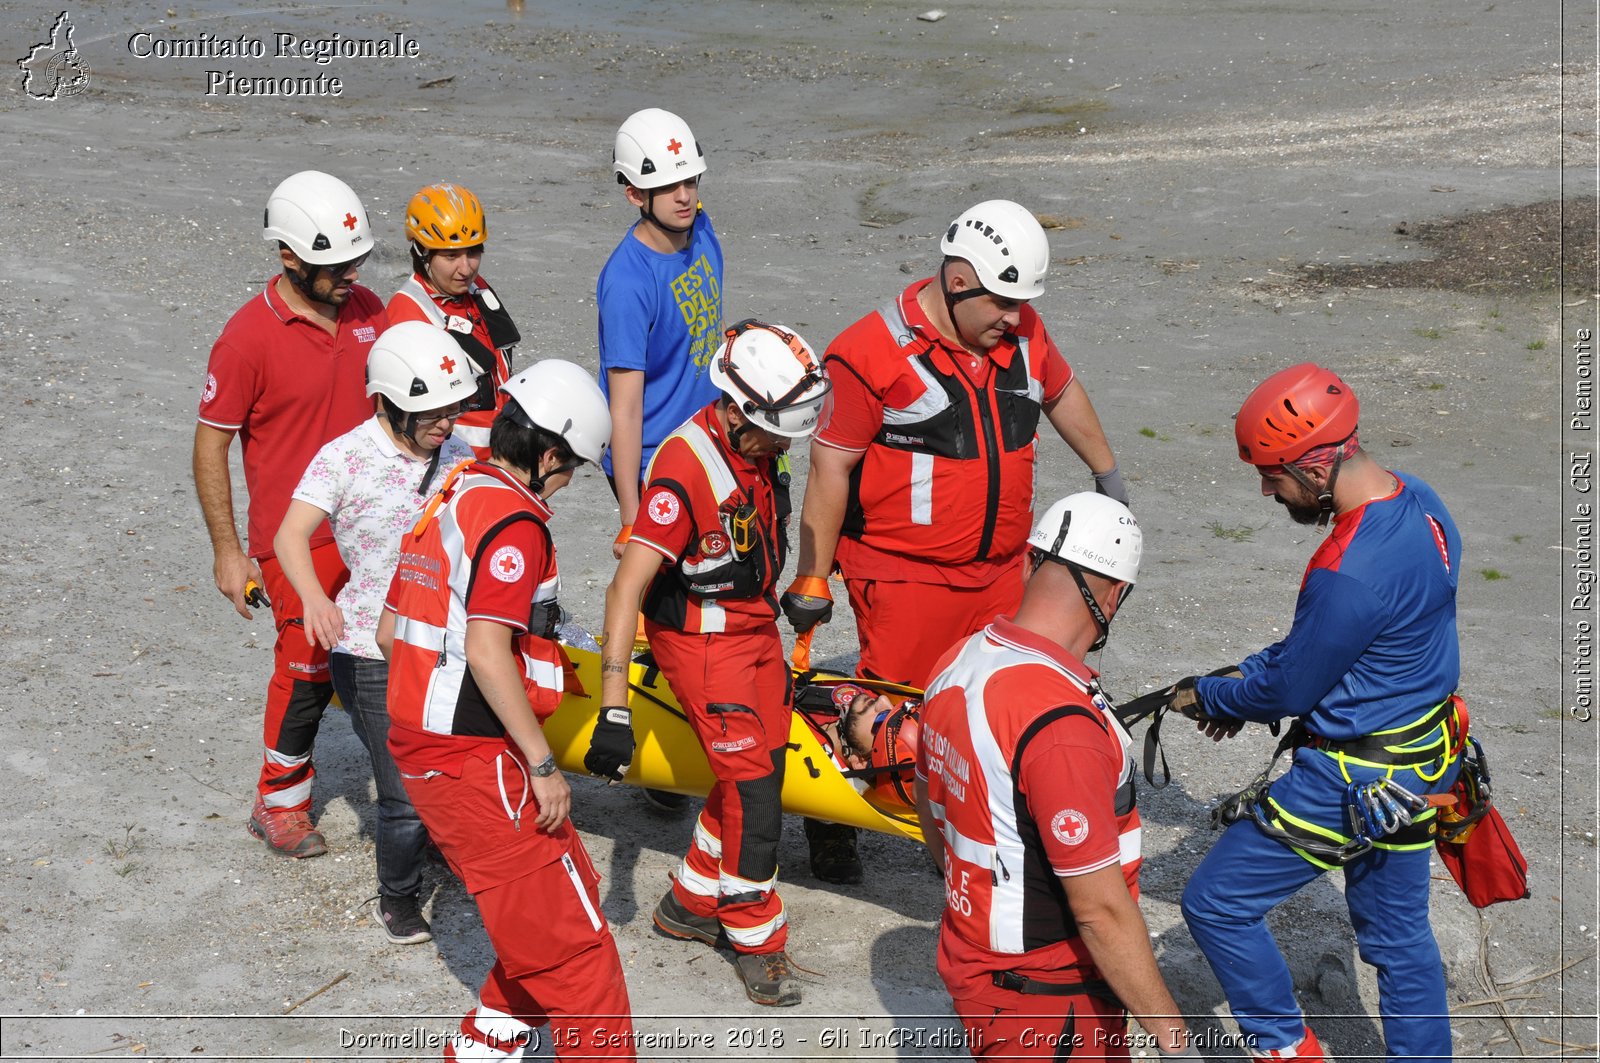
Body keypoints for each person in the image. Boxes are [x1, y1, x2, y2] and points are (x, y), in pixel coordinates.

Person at [785, 198, 1127, 884]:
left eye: (1022, 303)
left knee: (998, 704)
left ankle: (985, 829)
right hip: (905, 574)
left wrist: (1107, 472)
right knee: (898, 712)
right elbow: (829, 467)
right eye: (1003, 301)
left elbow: (1060, 393)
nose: (1015, 317)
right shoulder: (868, 353)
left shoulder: (1021, 333)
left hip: (1002, 571)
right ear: (960, 280)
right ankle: (832, 819)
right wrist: (813, 577)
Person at [1168, 363, 1464, 1063]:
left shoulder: (1344, 568)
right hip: (1422, 761)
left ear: (1315, 461)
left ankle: (1284, 1047)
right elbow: (1341, 647)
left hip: (1349, 780)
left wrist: (1213, 694)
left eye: (1273, 474)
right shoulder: (1422, 503)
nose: (1268, 490)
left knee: (1214, 904)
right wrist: (1258, 670)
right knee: (1398, 942)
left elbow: (1291, 692)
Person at [379, 359, 634, 1061]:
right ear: (550, 454)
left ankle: (482, 1051)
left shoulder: (452, 490)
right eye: (572, 467)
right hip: (473, 758)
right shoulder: (517, 522)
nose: (569, 480)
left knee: (562, 899)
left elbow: (386, 632)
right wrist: (545, 764)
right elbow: (488, 651)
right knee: (579, 954)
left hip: (429, 748)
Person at [586, 320, 830, 1007]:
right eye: (777, 432)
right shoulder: (684, 467)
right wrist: (613, 705)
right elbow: (625, 585)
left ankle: (692, 899)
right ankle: (756, 935)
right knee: (754, 792)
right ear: (736, 407)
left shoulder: (757, 442)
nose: (785, 446)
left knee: (761, 768)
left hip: (752, 629)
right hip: (702, 644)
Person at [915, 493, 1194, 1061]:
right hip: (1051, 1003)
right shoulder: (1060, 727)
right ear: (1114, 596)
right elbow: (1100, 911)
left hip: (978, 966)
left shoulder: (959, 661)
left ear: (1027, 563)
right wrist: (1175, 1039)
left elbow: (930, 806)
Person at [194, 170, 385, 859]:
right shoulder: (246, 339)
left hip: (372, 526)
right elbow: (210, 444)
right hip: (293, 538)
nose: (351, 275)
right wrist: (227, 549)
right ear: (288, 256)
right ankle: (278, 801)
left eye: (356, 260)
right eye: (335, 266)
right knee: (304, 663)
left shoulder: (370, 310)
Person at [273, 322, 477, 944]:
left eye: (452, 408)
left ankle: (436, 847)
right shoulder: (344, 456)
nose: (446, 422)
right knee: (402, 788)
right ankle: (398, 900)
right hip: (368, 650)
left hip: (444, 643)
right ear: (390, 402)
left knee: (444, 764)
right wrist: (313, 598)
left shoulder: (460, 456)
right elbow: (288, 536)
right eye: (432, 412)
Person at [598, 107, 726, 816]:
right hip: (656, 461)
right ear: (633, 194)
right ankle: (656, 762)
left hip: (711, 446)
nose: (685, 194)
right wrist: (630, 510)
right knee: (663, 608)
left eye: (691, 178)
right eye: (669, 184)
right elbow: (624, 407)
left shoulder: (701, 228)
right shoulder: (626, 281)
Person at [388, 182, 521, 459]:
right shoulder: (409, 314)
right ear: (422, 252)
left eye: (473, 252)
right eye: (451, 255)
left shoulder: (476, 290)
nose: (466, 268)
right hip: (456, 466)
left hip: (502, 456)